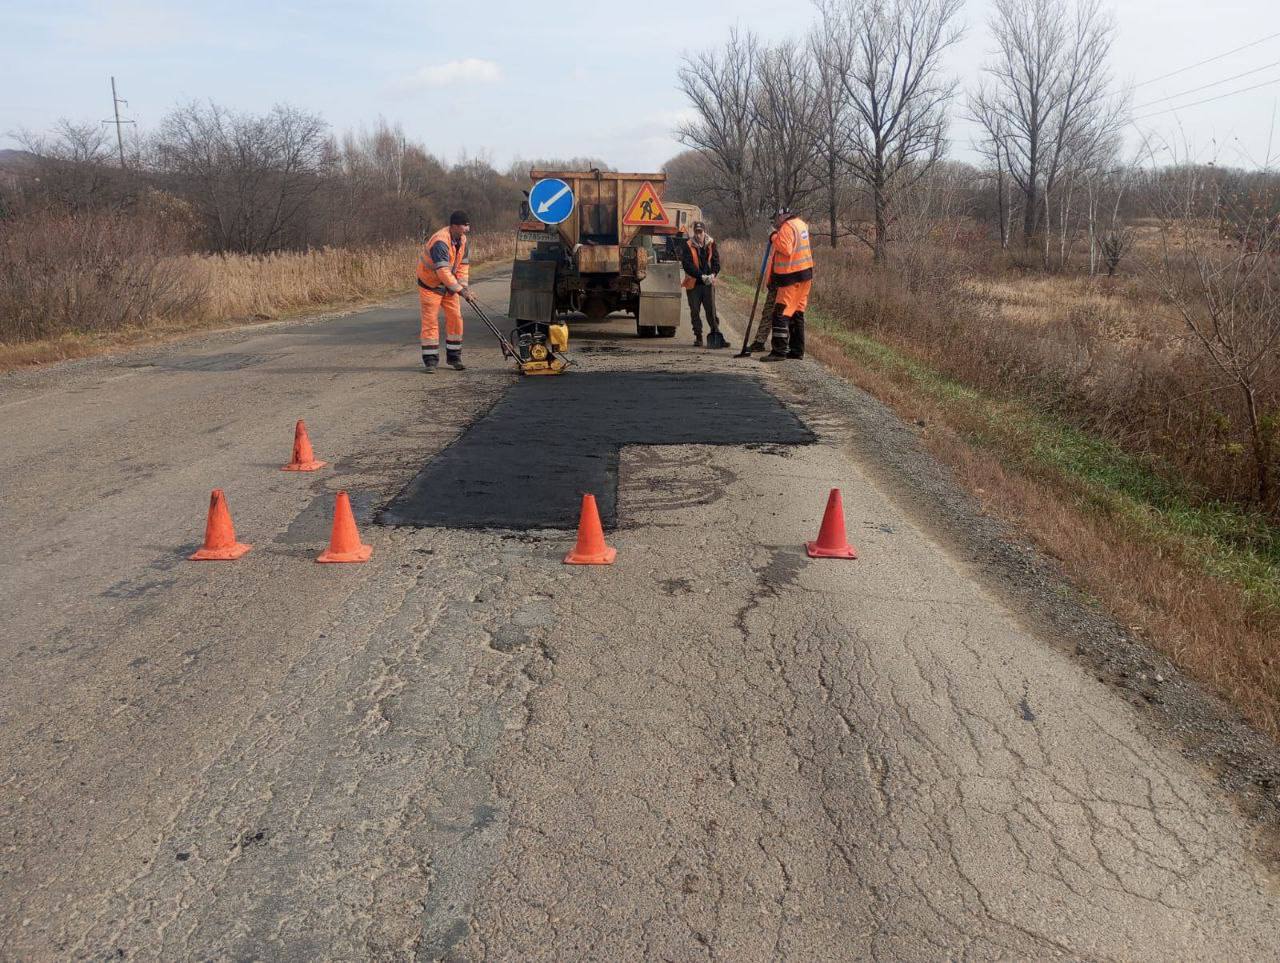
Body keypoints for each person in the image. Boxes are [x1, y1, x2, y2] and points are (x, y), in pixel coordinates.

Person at [416, 210, 471, 372]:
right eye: (464, 226)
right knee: (430, 321)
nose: (467, 229)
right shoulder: (440, 241)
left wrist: (464, 286)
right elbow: (442, 271)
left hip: (449, 285)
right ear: (454, 226)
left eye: (468, 225)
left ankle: (454, 358)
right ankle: (431, 361)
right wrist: (461, 291)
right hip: (430, 284)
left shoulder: (462, 239)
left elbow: (463, 265)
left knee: (455, 318)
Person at [759, 207, 813, 363]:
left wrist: (773, 236)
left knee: (780, 313)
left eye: (777, 217)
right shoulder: (801, 224)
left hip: (790, 277)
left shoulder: (787, 227)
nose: (777, 221)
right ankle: (797, 350)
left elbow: (786, 249)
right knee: (797, 313)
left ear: (783, 216)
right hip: (805, 275)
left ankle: (779, 351)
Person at [680, 220, 724, 347]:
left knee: (711, 310)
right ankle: (698, 336)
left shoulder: (711, 243)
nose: (698, 235)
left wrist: (713, 274)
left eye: (700, 232)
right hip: (693, 283)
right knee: (695, 311)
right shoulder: (688, 244)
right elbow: (687, 265)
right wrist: (701, 276)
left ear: (704, 232)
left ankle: (715, 333)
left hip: (708, 283)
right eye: (696, 232)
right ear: (694, 232)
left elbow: (716, 262)